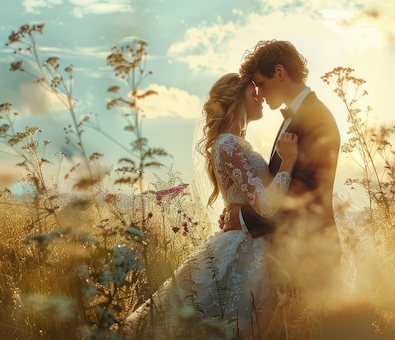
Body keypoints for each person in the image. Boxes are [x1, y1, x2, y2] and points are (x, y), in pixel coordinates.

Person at [123, 73, 298, 340]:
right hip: (246, 246)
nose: (261, 97)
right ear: (237, 101)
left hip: (247, 237)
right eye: (254, 94)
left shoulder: (234, 143)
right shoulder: (228, 144)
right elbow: (264, 204)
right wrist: (288, 163)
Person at [223, 39, 341, 300]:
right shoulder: (292, 119)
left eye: (261, 84)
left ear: (279, 72)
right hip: (287, 257)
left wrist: (245, 217)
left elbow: (305, 196)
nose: (260, 95)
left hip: (311, 257)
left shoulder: (316, 118)